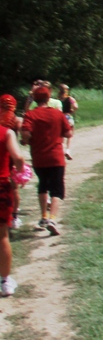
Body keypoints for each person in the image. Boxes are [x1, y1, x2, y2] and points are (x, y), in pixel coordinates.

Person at [21, 86, 72, 236]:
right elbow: (68, 132)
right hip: (56, 157)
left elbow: (25, 134)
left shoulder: (31, 115)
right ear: (48, 98)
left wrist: (27, 141)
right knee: (56, 188)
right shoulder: (57, 114)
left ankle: (43, 216)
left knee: (43, 184)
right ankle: (53, 219)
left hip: (39, 157)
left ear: (35, 100)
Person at [0, 121, 25, 296]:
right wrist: (19, 172)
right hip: (1, 187)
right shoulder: (6, 132)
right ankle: (5, 282)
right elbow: (18, 157)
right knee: (2, 235)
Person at [0, 96, 23, 230]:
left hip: (3, 156)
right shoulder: (16, 120)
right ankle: (14, 216)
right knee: (13, 187)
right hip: (10, 157)